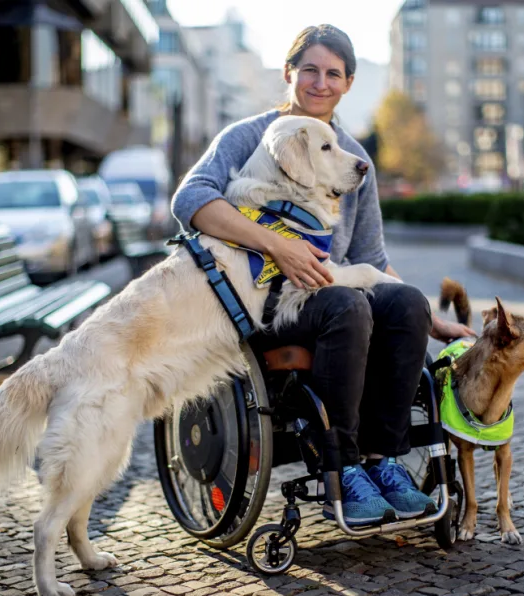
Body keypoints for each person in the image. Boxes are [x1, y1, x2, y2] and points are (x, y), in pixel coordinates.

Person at [171, 24, 475, 526]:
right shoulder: (250, 136)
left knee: (405, 304)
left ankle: (383, 460)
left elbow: (372, 260)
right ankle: (345, 466)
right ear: (289, 73)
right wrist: (277, 245)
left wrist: (431, 321)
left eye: (333, 73)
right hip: (267, 302)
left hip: (332, 294)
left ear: (348, 83)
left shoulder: (354, 161)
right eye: (309, 70)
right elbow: (190, 200)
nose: (320, 82)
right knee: (347, 304)